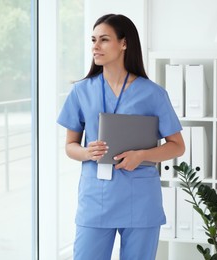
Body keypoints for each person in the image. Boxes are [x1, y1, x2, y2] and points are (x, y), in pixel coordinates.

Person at [57, 14, 185, 260]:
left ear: (124, 43)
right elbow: (70, 146)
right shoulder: (81, 91)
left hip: (141, 200)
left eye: (104, 40)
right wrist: (86, 152)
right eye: (93, 40)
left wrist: (142, 155)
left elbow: (177, 146)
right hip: (96, 198)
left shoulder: (153, 93)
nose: (95, 46)